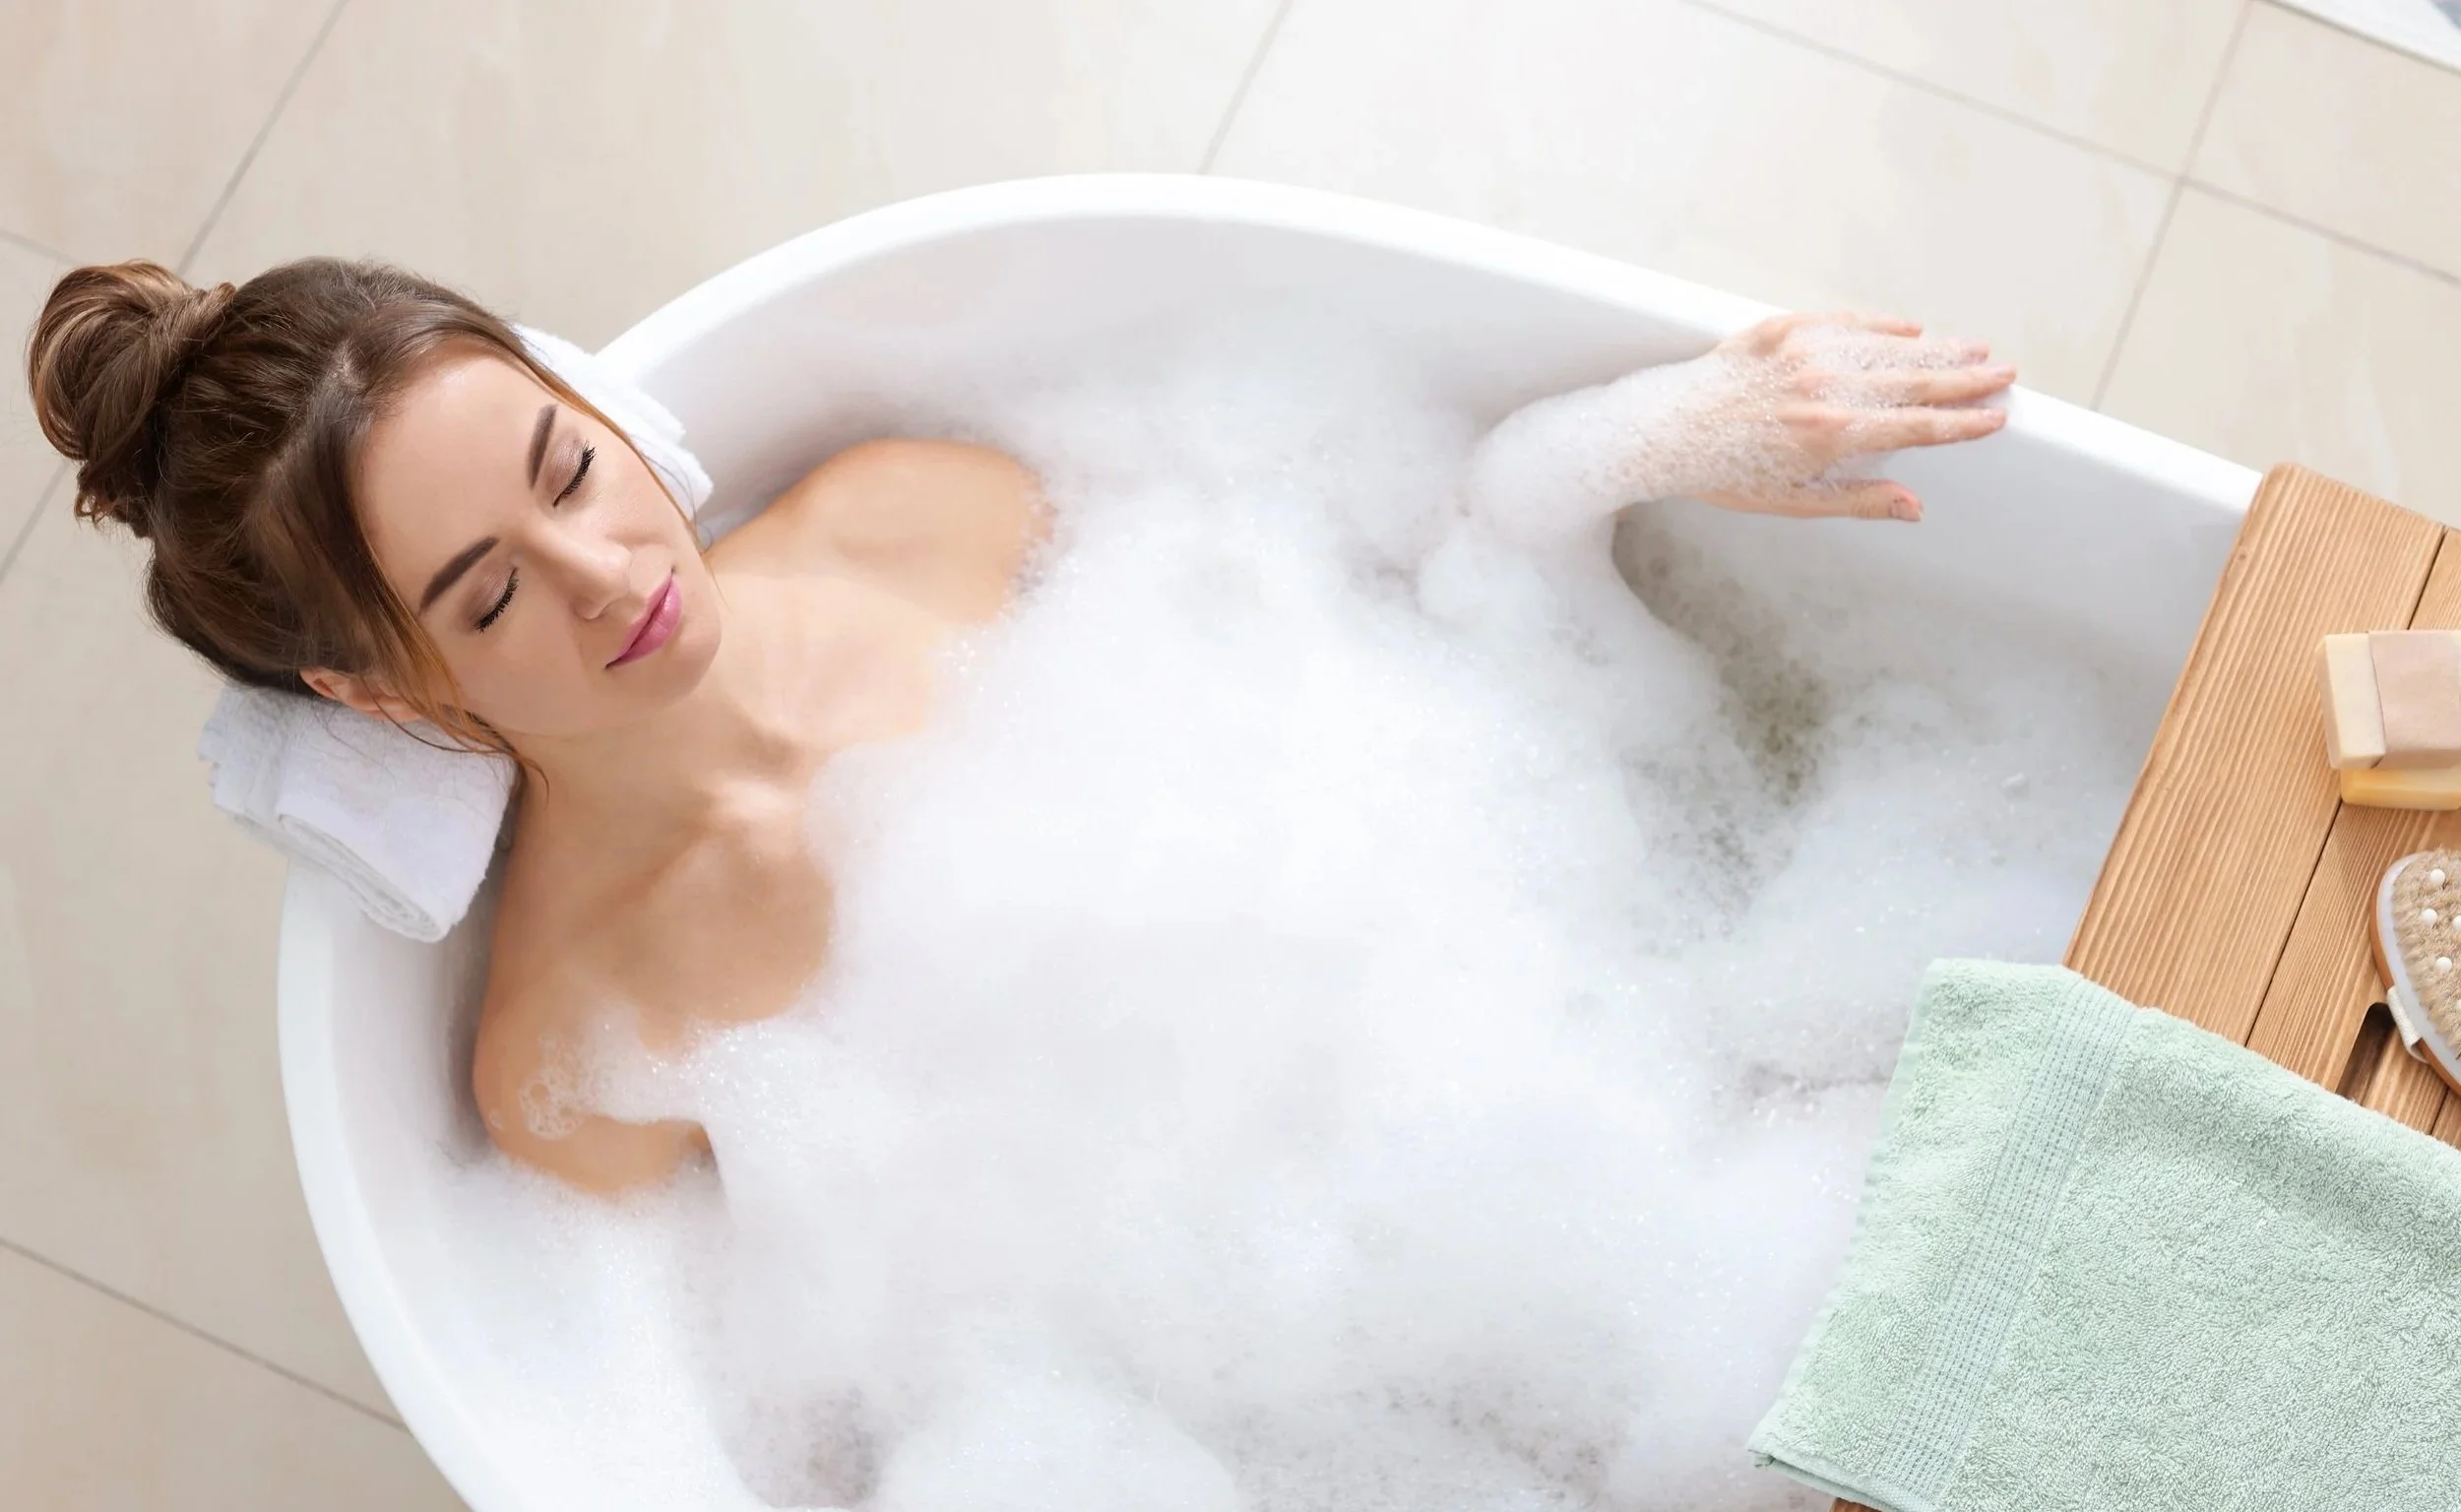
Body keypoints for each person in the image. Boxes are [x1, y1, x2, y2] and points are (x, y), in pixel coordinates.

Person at [26, 257, 2014, 1194]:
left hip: (1634, 967)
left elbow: (1391, 577)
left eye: (568, 458)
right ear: (386, 692)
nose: (606, 560)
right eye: (482, 593)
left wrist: (1640, 438)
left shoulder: (917, 514)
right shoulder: (578, 1061)